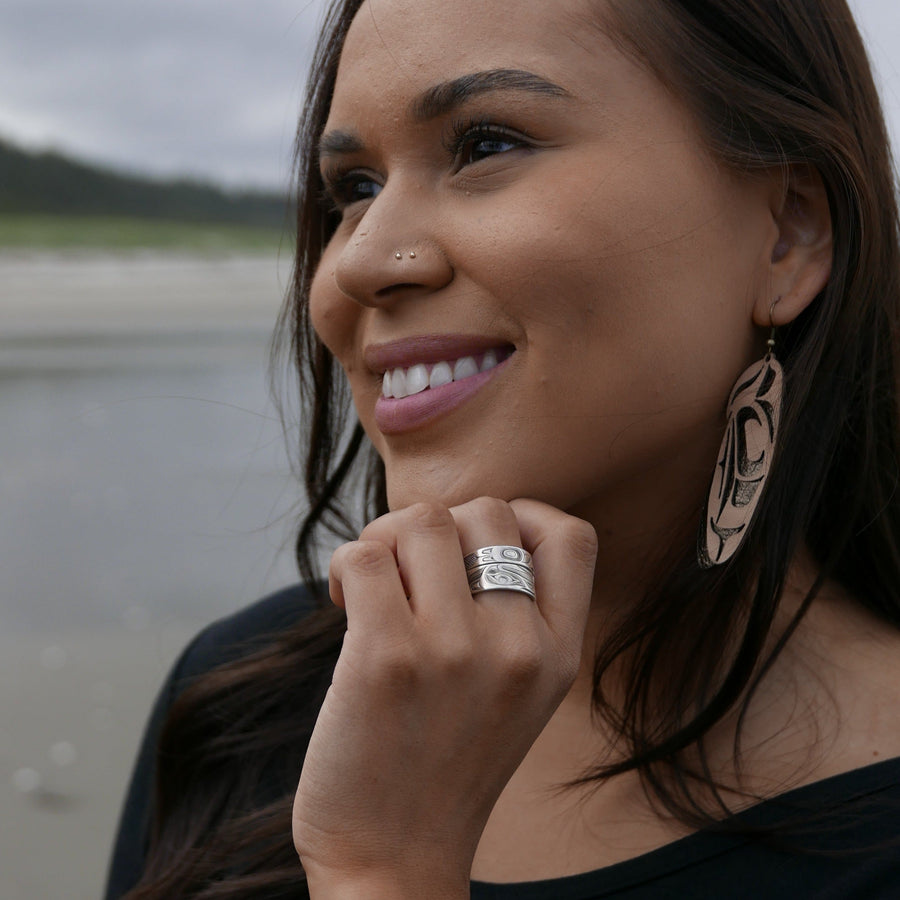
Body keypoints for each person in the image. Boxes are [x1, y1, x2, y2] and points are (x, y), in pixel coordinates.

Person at [105, 0, 900, 897]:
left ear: (789, 232)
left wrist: (385, 872)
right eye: (353, 189)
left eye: (486, 145)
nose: (360, 262)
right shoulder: (238, 708)